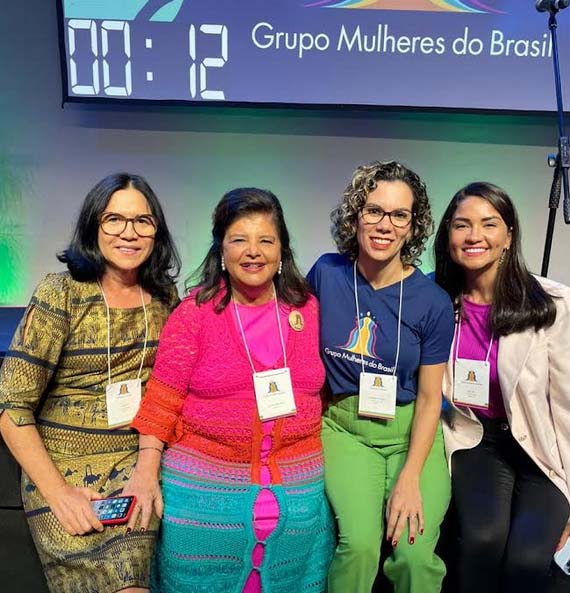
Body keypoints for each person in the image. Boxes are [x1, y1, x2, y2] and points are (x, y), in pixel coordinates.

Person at [131, 188, 334, 593]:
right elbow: (162, 400)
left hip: (296, 490)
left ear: (282, 252)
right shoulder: (194, 314)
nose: (253, 252)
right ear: (221, 250)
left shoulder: (306, 310)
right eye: (239, 239)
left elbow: (319, 393)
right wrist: (145, 472)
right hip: (206, 488)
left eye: (266, 240)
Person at [0, 173, 181, 593]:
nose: (129, 233)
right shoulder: (61, 294)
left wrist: (146, 469)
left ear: (157, 231)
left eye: (143, 221)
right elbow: (12, 410)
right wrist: (59, 493)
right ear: (92, 227)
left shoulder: (165, 298)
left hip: (137, 465)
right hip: (62, 470)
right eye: (114, 219)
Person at [433, 181, 570, 593]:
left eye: (489, 224)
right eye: (462, 225)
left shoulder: (552, 303)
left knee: (527, 560)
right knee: (482, 540)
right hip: (478, 441)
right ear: (448, 236)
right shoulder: (437, 300)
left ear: (509, 236)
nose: (475, 236)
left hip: (542, 445)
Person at [307, 161, 455, 593]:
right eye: (373, 211)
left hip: (411, 431)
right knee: (360, 547)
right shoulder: (326, 274)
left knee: (413, 552)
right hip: (344, 430)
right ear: (355, 216)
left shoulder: (433, 301)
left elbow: (430, 399)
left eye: (399, 215)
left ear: (413, 227)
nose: (384, 225)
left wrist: (410, 476)